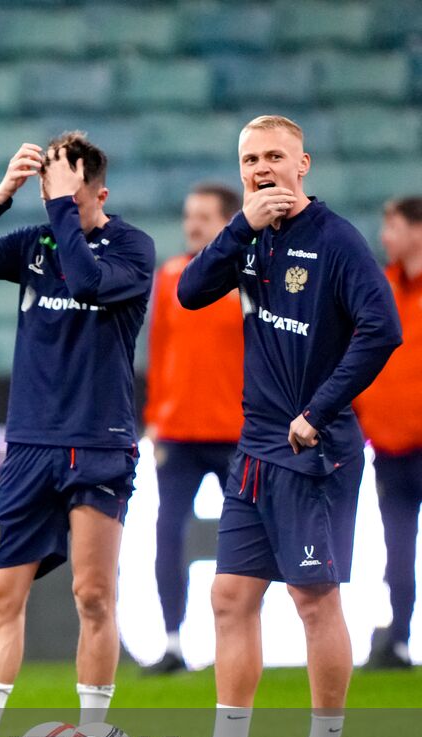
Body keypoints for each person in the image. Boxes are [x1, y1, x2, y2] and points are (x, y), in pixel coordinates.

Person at [174, 115, 400, 737]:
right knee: (230, 595)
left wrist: (319, 410)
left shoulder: (336, 241)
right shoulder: (250, 239)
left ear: (305, 165)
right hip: (255, 447)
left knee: (312, 599)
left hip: (315, 450)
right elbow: (189, 294)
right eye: (250, 159)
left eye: (275, 156)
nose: (262, 168)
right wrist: (239, 224)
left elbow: (381, 329)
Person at [0, 131, 155, 737]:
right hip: (30, 445)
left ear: (99, 194)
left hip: (98, 443)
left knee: (92, 593)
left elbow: (86, 279)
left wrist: (57, 206)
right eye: (51, 187)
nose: (55, 198)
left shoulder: (132, 248)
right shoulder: (35, 245)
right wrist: (3, 195)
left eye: (69, 189)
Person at [142, 183, 245, 674]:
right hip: (178, 433)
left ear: (229, 221)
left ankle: (241, 638)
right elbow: (160, 353)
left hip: (237, 432)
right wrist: (155, 417)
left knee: (247, 539)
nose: (192, 225)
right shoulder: (170, 275)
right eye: (189, 215)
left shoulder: (248, 275)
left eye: (203, 216)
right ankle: (172, 641)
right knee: (169, 534)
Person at [353, 196, 422, 670]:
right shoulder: (382, 288)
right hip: (391, 447)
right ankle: (397, 640)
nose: (385, 236)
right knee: (396, 551)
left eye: (393, 226)